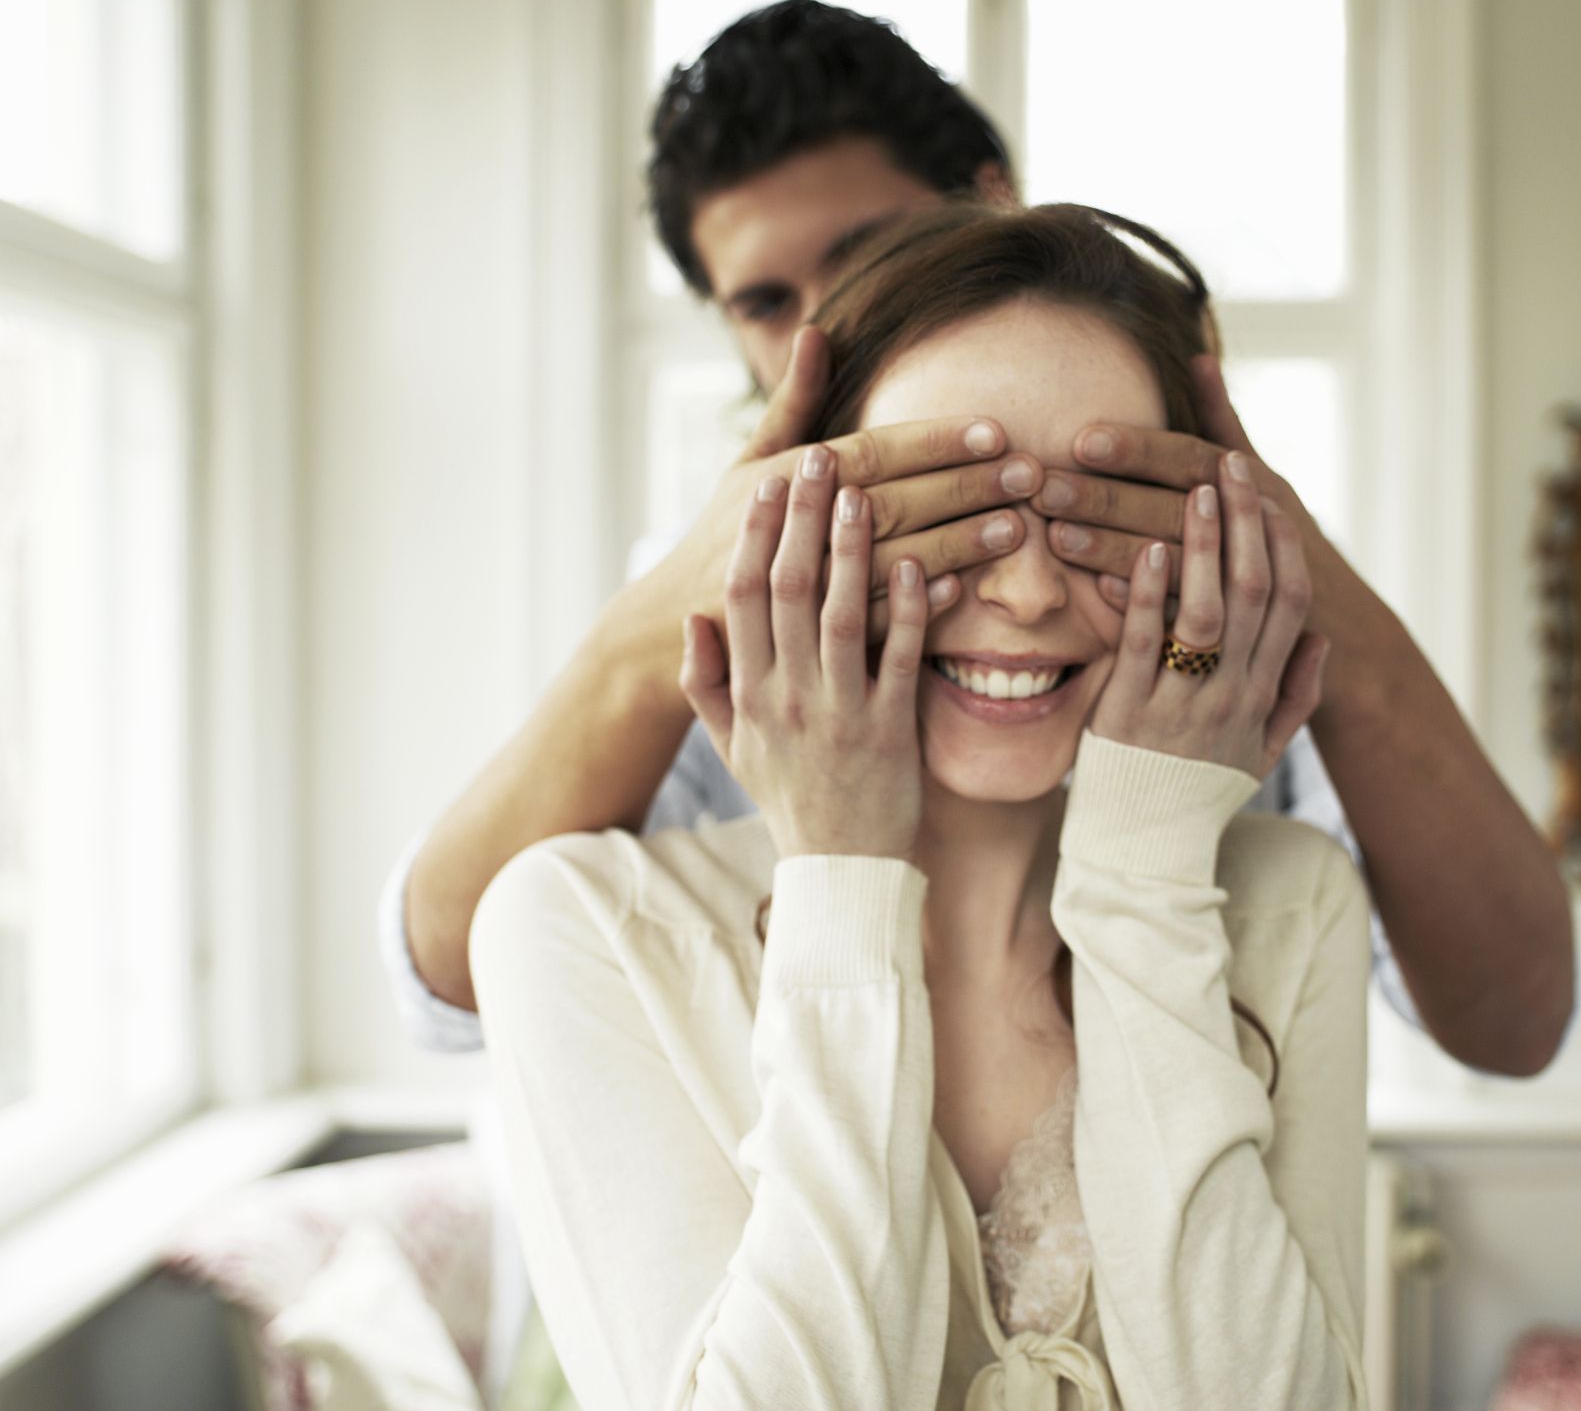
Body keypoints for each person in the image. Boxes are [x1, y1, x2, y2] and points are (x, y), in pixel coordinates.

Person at [380, 0, 1575, 1088]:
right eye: (763, 303)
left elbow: (1513, 1022)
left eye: (866, 255)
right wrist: (659, 635)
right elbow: (451, 981)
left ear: (989, 212)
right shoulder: (697, 623)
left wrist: (1317, 610)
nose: (830, 323)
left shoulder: (1203, 619)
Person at [470, 201, 1372, 1409]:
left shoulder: (1293, 904)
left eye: (1098, 522)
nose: (1029, 587)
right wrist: (841, 870)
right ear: (792, 540)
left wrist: (1151, 851)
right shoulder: (579, 929)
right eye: (948, 512)